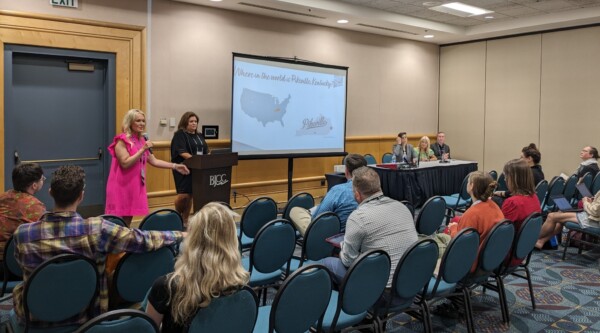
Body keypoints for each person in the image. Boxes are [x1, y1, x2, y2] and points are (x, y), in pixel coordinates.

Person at [13, 165, 185, 328]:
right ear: (81, 196)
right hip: (87, 321)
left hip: (33, 321)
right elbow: (142, 239)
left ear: (50, 193)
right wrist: (179, 234)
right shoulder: (97, 229)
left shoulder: (23, 234)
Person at [146, 202, 248, 332]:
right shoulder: (241, 285)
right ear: (232, 241)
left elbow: (148, 329)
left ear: (192, 240)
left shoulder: (167, 287)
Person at [321, 167, 418, 287]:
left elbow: (348, 260)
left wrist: (342, 247)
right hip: (411, 285)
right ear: (379, 187)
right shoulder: (402, 207)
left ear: (357, 194)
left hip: (380, 292)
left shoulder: (358, 217)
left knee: (326, 263)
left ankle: (346, 302)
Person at [105, 109, 190, 226]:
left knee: (128, 218)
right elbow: (125, 163)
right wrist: (142, 150)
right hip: (121, 185)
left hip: (135, 184)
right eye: (138, 121)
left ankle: (126, 240)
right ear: (130, 122)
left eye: (143, 121)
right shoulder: (122, 140)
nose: (142, 124)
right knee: (117, 221)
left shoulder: (141, 140)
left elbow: (154, 160)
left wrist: (175, 166)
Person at [289, 154, 367, 234]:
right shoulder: (372, 189)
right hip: (358, 234)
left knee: (295, 211)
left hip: (330, 237)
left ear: (346, 171)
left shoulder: (338, 190)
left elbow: (316, 219)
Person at [447, 171, 504, 270]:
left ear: (471, 186)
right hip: (491, 259)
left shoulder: (472, 214)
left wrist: (453, 228)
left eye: (468, 182)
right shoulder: (494, 205)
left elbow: (460, 243)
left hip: (470, 264)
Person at [0, 163, 46, 261]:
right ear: (34, 185)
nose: (43, 181)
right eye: (42, 179)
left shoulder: (3, 196)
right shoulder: (36, 206)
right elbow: (41, 235)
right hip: (12, 258)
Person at [170, 112, 209, 227]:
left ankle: (185, 220)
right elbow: (182, 152)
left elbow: (206, 151)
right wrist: (196, 160)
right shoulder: (180, 135)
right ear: (185, 122)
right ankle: (177, 215)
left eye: (196, 121)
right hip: (183, 168)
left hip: (197, 168)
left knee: (191, 194)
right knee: (184, 195)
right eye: (191, 121)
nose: (194, 123)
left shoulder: (199, 135)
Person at [500, 159, 541, 266]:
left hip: (505, 256)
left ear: (514, 179)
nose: (504, 179)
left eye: (506, 176)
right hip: (522, 252)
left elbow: (498, 233)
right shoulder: (534, 197)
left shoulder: (513, 202)